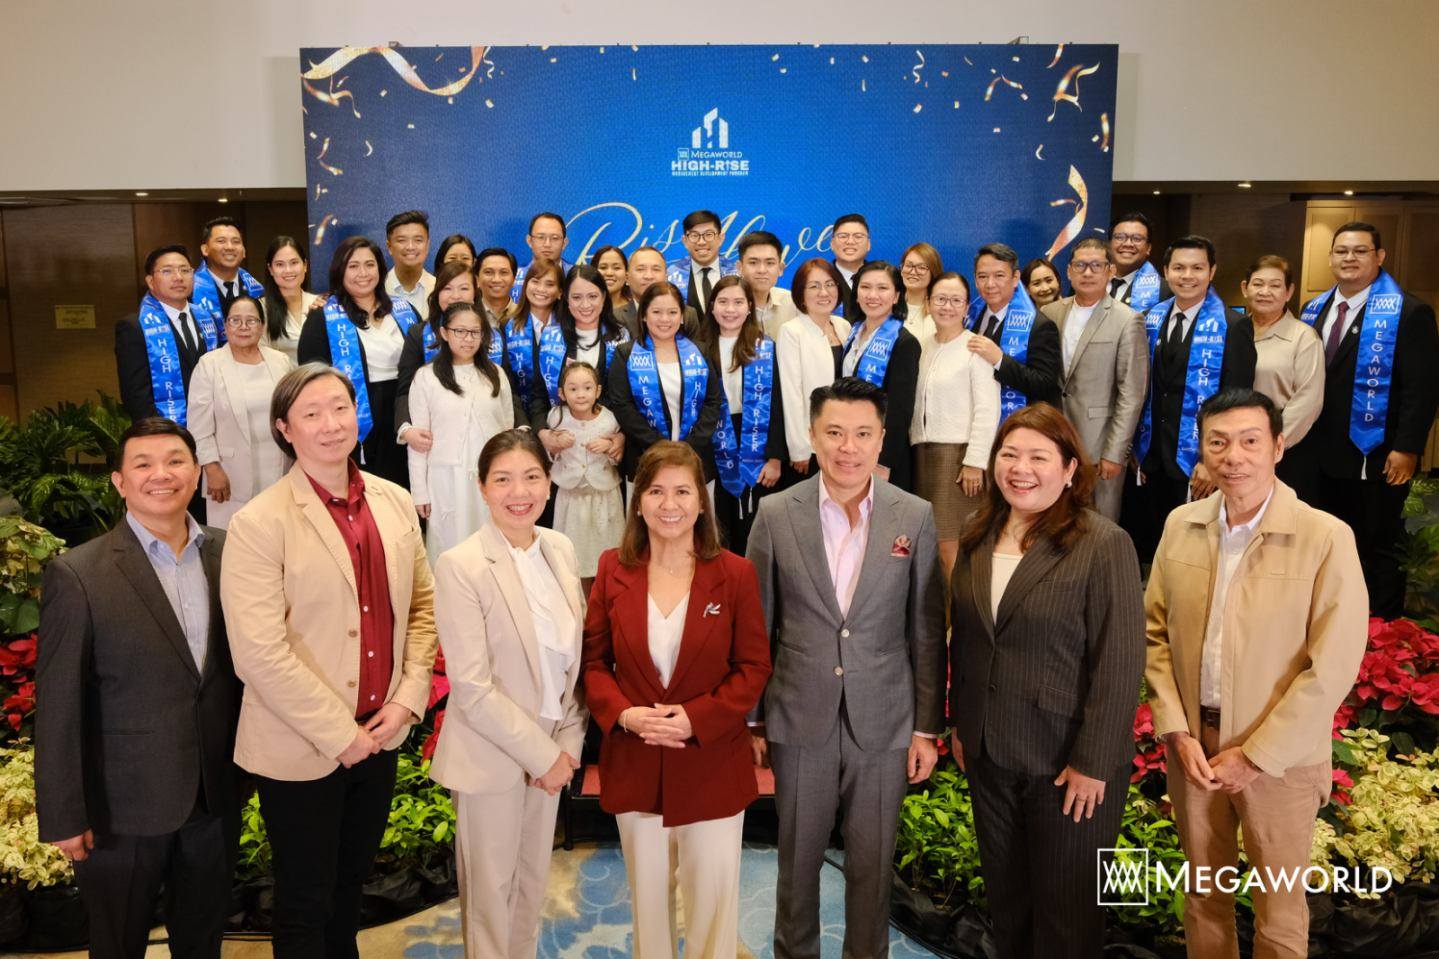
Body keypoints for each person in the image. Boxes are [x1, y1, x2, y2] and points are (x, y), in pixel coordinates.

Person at [220, 364, 437, 959]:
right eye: (311, 413)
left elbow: (422, 608)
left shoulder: (394, 502)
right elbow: (258, 653)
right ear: (284, 429)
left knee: (349, 893)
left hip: (381, 733)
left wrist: (406, 699)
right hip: (301, 745)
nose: (331, 424)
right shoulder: (259, 522)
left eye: (340, 408)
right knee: (304, 902)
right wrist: (342, 735)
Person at [1145, 388, 1368, 959]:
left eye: (1249, 441)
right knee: (1203, 895)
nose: (1233, 457)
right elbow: (1154, 635)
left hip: (1282, 760)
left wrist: (1256, 755)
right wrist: (1175, 730)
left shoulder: (1325, 536)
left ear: (1278, 446)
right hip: (1195, 750)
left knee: (1280, 908)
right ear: (1202, 449)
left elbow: (1334, 665)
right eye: (1217, 442)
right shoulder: (1181, 524)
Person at [746, 377, 945, 959]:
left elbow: (926, 629)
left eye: (862, 433)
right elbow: (757, 624)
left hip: (884, 719)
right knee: (797, 862)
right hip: (798, 716)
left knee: (872, 865)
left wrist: (925, 728)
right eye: (834, 432)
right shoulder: (775, 514)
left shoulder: (915, 514)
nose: (848, 447)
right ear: (812, 436)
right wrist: (754, 720)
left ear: (882, 438)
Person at [35, 418, 241, 959]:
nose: (161, 475)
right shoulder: (79, 573)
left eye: (175, 461)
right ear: (120, 482)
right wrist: (64, 814)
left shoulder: (230, 554)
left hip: (214, 797)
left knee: (203, 943)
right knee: (117, 945)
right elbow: (58, 707)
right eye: (143, 465)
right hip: (120, 810)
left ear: (196, 473)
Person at [948, 403, 1145, 959]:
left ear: (1069, 469)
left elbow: (1120, 661)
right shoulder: (976, 534)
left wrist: (1094, 762)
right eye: (1009, 455)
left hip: (1066, 763)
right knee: (1008, 906)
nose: (1021, 469)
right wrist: (961, 724)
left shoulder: (1102, 543)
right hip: (989, 751)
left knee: (1067, 917)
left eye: (1039, 457)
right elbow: (967, 639)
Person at [582, 441, 771, 959]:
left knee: (713, 908)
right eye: (656, 491)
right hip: (636, 759)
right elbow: (594, 663)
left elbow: (753, 668)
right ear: (638, 501)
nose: (670, 504)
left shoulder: (735, 573)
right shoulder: (611, 569)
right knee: (649, 908)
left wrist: (695, 719)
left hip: (711, 764)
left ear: (702, 502)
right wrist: (624, 714)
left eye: (683, 491)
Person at [429, 429, 588, 959]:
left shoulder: (560, 548)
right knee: (490, 895)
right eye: (503, 480)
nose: (519, 492)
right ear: (482, 487)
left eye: (531, 477)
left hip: (553, 746)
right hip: (492, 751)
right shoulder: (461, 564)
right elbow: (472, 688)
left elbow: (575, 662)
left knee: (532, 882)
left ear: (549, 482)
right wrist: (543, 757)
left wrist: (566, 746)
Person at [1302, 222, 1439, 618]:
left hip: (1377, 453)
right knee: (1324, 542)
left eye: (1360, 251)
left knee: (1377, 544)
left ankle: (1381, 631)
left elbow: (1422, 389)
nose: (1350, 258)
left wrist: (1407, 447)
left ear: (1380, 257)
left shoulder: (1409, 312)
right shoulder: (1313, 309)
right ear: (1330, 257)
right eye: (1342, 251)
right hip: (1318, 454)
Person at [1128, 235, 1257, 563]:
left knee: (1195, 552)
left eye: (1197, 268)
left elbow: (1238, 403)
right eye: (1179, 268)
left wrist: (1211, 460)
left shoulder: (1234, 325)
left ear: (1211, 272)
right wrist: (1137, 447)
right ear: (1166, 272)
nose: (1187, 276)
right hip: (1152, 458)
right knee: (1154, 546)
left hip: (1198, 464)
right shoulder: (1149, 318)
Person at [297, 235, 421, 489]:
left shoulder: (404, 309)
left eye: (369, 265)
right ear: (340, 271)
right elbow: (311, 375)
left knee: (406, 487)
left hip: (406, 408)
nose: (363, 273)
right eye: (353, 266)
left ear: (380, 269)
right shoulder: (323, 316)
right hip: (358, 414)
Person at [1040, 237, 1149, 520]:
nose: (1087, 272)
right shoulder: (1050, 313)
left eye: (1096, 265)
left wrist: (1115, 452)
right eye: (1080, 265)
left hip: (1100, 447)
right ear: (1069, 271)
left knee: (1098, 526)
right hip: (1054, 440)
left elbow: (1132, 393)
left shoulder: (1127, 319)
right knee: (1052, 520)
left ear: (1110, 270)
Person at [408, 303, 521, 562]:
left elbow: (507, 431)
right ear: (444, 333)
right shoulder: (426, 377)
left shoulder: (496, 374)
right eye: (460, 331)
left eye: (475, 332)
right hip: (446, 478)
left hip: (491, 476)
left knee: (493, 545)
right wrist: (420, 492)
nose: (468, 339)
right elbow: (419, 442)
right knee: (450, 548)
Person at [911, 272, 1000, 577]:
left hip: (958, 460)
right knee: (929, 546)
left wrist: (975, 461)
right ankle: (939, 608)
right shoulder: (922, 346)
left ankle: (959, 610)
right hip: (922, 456)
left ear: (966, 307)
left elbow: (988, 409)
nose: (947, 306)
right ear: (928, 303)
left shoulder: (976, 348)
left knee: (952, 547)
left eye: (955, 300)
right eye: (940, 299)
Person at [186, 296, 295, 528]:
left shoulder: (280, 361)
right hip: (228, 474)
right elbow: (198, 426)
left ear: (262, 326)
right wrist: (211, 468)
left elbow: (293, 413)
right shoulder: (209, 365)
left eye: (251, 321)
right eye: (235, 320)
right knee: (233, 539)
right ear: (225, 326)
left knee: (278, 535)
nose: (243, 327)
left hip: (279, 469)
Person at [696, 275, 786, 555]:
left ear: (749, 307)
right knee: (718, 526)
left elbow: (778, 405)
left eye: (738, 302)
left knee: (755, 528)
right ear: (712, 307)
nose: (730, 309)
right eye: (723, 302)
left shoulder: (765, 347)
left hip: (756, 440)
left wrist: (775, 457)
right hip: (713, 440)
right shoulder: (697, 349)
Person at [607, 281, 726, 483]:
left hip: (696, 455)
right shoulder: (625, 354)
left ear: (682, 316)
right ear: (644, 315)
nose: (665, 319)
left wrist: (689, 445)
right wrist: (660, 446)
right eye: (656, 312)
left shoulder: (699, 351)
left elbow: (713, 401)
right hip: (645, 455)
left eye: (672, 312)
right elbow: (622, 405)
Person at [1241, 254, 1325, 504]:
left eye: (1275, 285)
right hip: (1236, 447)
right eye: (1258, 284)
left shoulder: (1304, 337)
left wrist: (1268, 445)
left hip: (1284, 450)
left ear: (1289, 292)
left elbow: (1308, 401)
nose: (1265, 292)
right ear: (1245, 288)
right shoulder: (1233, 330)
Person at [115, 245, 218, 425]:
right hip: (166, 429)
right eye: (167, 271)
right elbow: (135, 395)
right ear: (150, 281)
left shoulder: (206, 318)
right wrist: (160, 433)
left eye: (185, 270)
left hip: (213, 424)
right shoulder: (134, 327)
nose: (178, 277)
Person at [529, 264, 632, 441]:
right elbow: (538, 395)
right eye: (576, 297)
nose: (585, 305)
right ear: (566, 298)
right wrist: (542, 433)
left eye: (593, 296)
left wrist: (621, 437)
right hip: (561, 437)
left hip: (607, 438)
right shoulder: (550, 337)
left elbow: (628, 398)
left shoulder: (621, 336)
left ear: (604, 297)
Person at [842, 261, 920, 490]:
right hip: (851, 446)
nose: (872, 295)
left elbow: (900, 409)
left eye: (882, 288)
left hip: (882, 456)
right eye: (865, 287)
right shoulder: (853, 332)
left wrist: (883, 461)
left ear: (896, 296)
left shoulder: (905, 342)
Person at [546, 362, 624, 587]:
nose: (581, 394)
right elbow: (549, 454)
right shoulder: (556, 417)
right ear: (562, 393)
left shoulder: (609, 419)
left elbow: (618, 457)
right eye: (573, 389)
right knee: (573, 558)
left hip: (604, 497)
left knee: (606, 554)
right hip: (571, 498)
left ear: (598, 391)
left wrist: (609, 447)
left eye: (587, 388)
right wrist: (556, 445)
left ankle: (605, 597)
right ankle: (579, 601)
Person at [394, 259, 483, 453]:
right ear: (437, 293)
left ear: (475, 294)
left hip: (482, 432)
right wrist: (406, 429)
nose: (455, 296)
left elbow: (506, 387)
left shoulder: (490, 333)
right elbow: (405, 390)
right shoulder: (418, 334)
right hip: (436, 437)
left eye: (464, 288)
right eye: (447, 288)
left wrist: (521, 427)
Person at [968, 242, 1063, 420]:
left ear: (1015, 278)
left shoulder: (1039, 326)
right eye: (982, 276)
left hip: (1018, 425)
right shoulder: (968, 318)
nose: (990, 284)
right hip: (973, 420)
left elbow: (1045, 385)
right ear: (975, 280)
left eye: (999, 275)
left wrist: (1000, 360)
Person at [775, 259, 851, 479]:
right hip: (812, 443)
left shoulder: (843, 326)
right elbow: (791, 393)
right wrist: (800, 447)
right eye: (814, 286)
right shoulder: (792, 331)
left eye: (830, 284)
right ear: (801, 294)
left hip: (845, 436)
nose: (823, 292)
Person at [502, 258, 565, 412]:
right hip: (519, 414)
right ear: (525, 286)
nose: (541, 289)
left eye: (549, 284)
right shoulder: (507, 327)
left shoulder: (567, 328)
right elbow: (506, 382)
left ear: (560, 292)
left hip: (563, 415)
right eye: (535, 282)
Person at [615, 246, 699, 340]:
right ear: (627, 278)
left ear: (666, 277)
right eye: (641, 269)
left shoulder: (687, 315)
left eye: (656, 269)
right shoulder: (614, 318)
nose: (648, 276)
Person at [192, 217, 265, 323]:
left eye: (236, 242)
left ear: (244, 251)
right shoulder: (190, 290)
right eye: (221, 241)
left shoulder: (258, 291)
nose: (230, 247)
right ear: (205, 249)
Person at [261, 235, 319, 364]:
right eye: (280, 264)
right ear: (270, 269)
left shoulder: (320, 303)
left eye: (294, 263)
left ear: (305, 265)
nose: (288, 270)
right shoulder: (260, 309)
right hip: (282, 376)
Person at [668, 209, 738, 315]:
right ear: (685, 241)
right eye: (694, 235)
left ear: (721, 238)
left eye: (709, 234)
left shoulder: (737, 273)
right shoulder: (672, 276)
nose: (701, 242)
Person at [738, 230, 797, 338]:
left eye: (770, 263)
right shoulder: (728, 307)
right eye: (753, 263)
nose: (762, 270)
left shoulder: (794, 303)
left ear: (780, 268)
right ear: (740, 268)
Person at [1107, 212, 1165, 312]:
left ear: (1148, 248)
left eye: (1137, 239)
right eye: (1120, 237)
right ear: (1109, 243)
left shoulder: (1163, 291)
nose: (1128, 244)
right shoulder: (1089, 281)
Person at [510, 211, 574, 300]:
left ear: (564, 243)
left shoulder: (576, 277)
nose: (547, 244)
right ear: (529, 241)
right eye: (540, 237)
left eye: (555, 238)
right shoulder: (513, 278)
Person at [384, 210, 435, 319]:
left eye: (418, 240)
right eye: (402, 240)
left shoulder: (439, 288)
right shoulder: (377, 289)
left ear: (427, 245)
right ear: (389, 247)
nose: (410, 247)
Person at [830, 213, 872, 319]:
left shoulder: (883, 278)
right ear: (832, 243)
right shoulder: (821, 278)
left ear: (868, 244)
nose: (850, 241)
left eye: (858, 237)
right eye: (843, 236)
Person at [900, 242, 943, 340]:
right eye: (908, 265)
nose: (913, 272)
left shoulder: (941, 311)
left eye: (921, 267)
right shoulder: (889, 305)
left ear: (933, 273)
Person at [477, 246, 520, 331]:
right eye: (488, 272)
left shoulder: (524, 316)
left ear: (514, 279)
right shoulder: (468, 315)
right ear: (477, 279)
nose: (496, 279)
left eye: (503, 272)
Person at [594, 244, 634, 314]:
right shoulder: (582, 307)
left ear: (626, 275)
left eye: (616, 268)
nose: (609, 273)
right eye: (603, 267)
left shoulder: (637, 309)